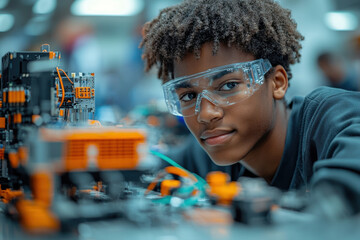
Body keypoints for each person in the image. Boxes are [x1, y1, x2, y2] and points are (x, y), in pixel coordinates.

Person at [140, 0, 360, 216]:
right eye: (188, 96)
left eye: (229, 85)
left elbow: (339, 200)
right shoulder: (217, 147)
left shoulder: (332, 118)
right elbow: (147, 168)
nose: (206, 114)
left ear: (277, 83)